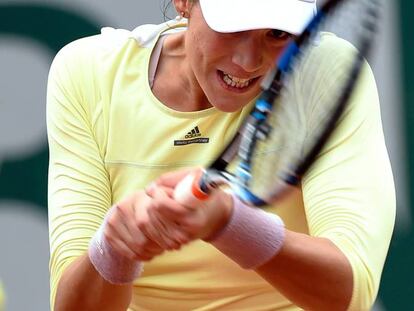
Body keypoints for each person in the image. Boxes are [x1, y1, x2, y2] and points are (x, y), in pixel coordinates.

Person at [47, 0, 395, 310]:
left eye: (277, 33)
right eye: (233, 28)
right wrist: (117, 249)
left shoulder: (325, 71)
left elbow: (349, 294)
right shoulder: (89, 73)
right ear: (184, 3)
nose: (248, 62)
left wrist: (228, 223)